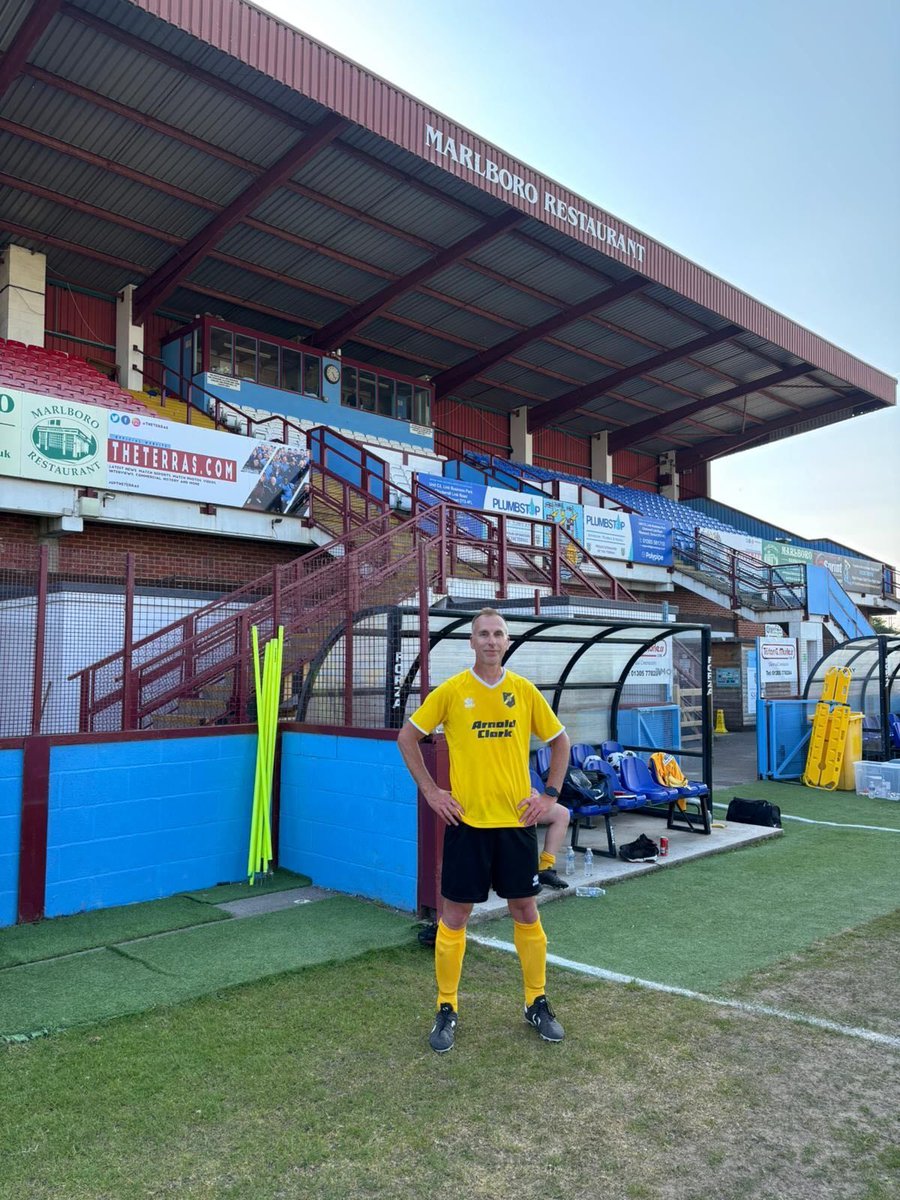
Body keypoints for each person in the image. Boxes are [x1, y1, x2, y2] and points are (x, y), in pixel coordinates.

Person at [397, 607, 571, 1053]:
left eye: (498, 634)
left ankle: (536, 1002)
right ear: (471, 642)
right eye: (483, 634)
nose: (491, 641)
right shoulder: (453, 691)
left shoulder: (524, 691)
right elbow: (407, 738)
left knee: (526, 912)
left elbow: (560, 741)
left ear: (507, 642)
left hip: (515, 825)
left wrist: (549, 794)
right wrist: (433, 792)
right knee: (453, 918)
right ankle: (446, 1007)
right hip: (467, 825)